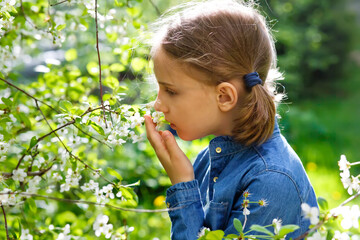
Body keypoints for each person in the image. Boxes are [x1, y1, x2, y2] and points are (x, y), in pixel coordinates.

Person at [144, 0, 318, 239]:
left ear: (224, 96)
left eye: (171, 91)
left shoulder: (271, 181)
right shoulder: (212, 157)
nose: (157, 104)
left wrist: (183, 186)